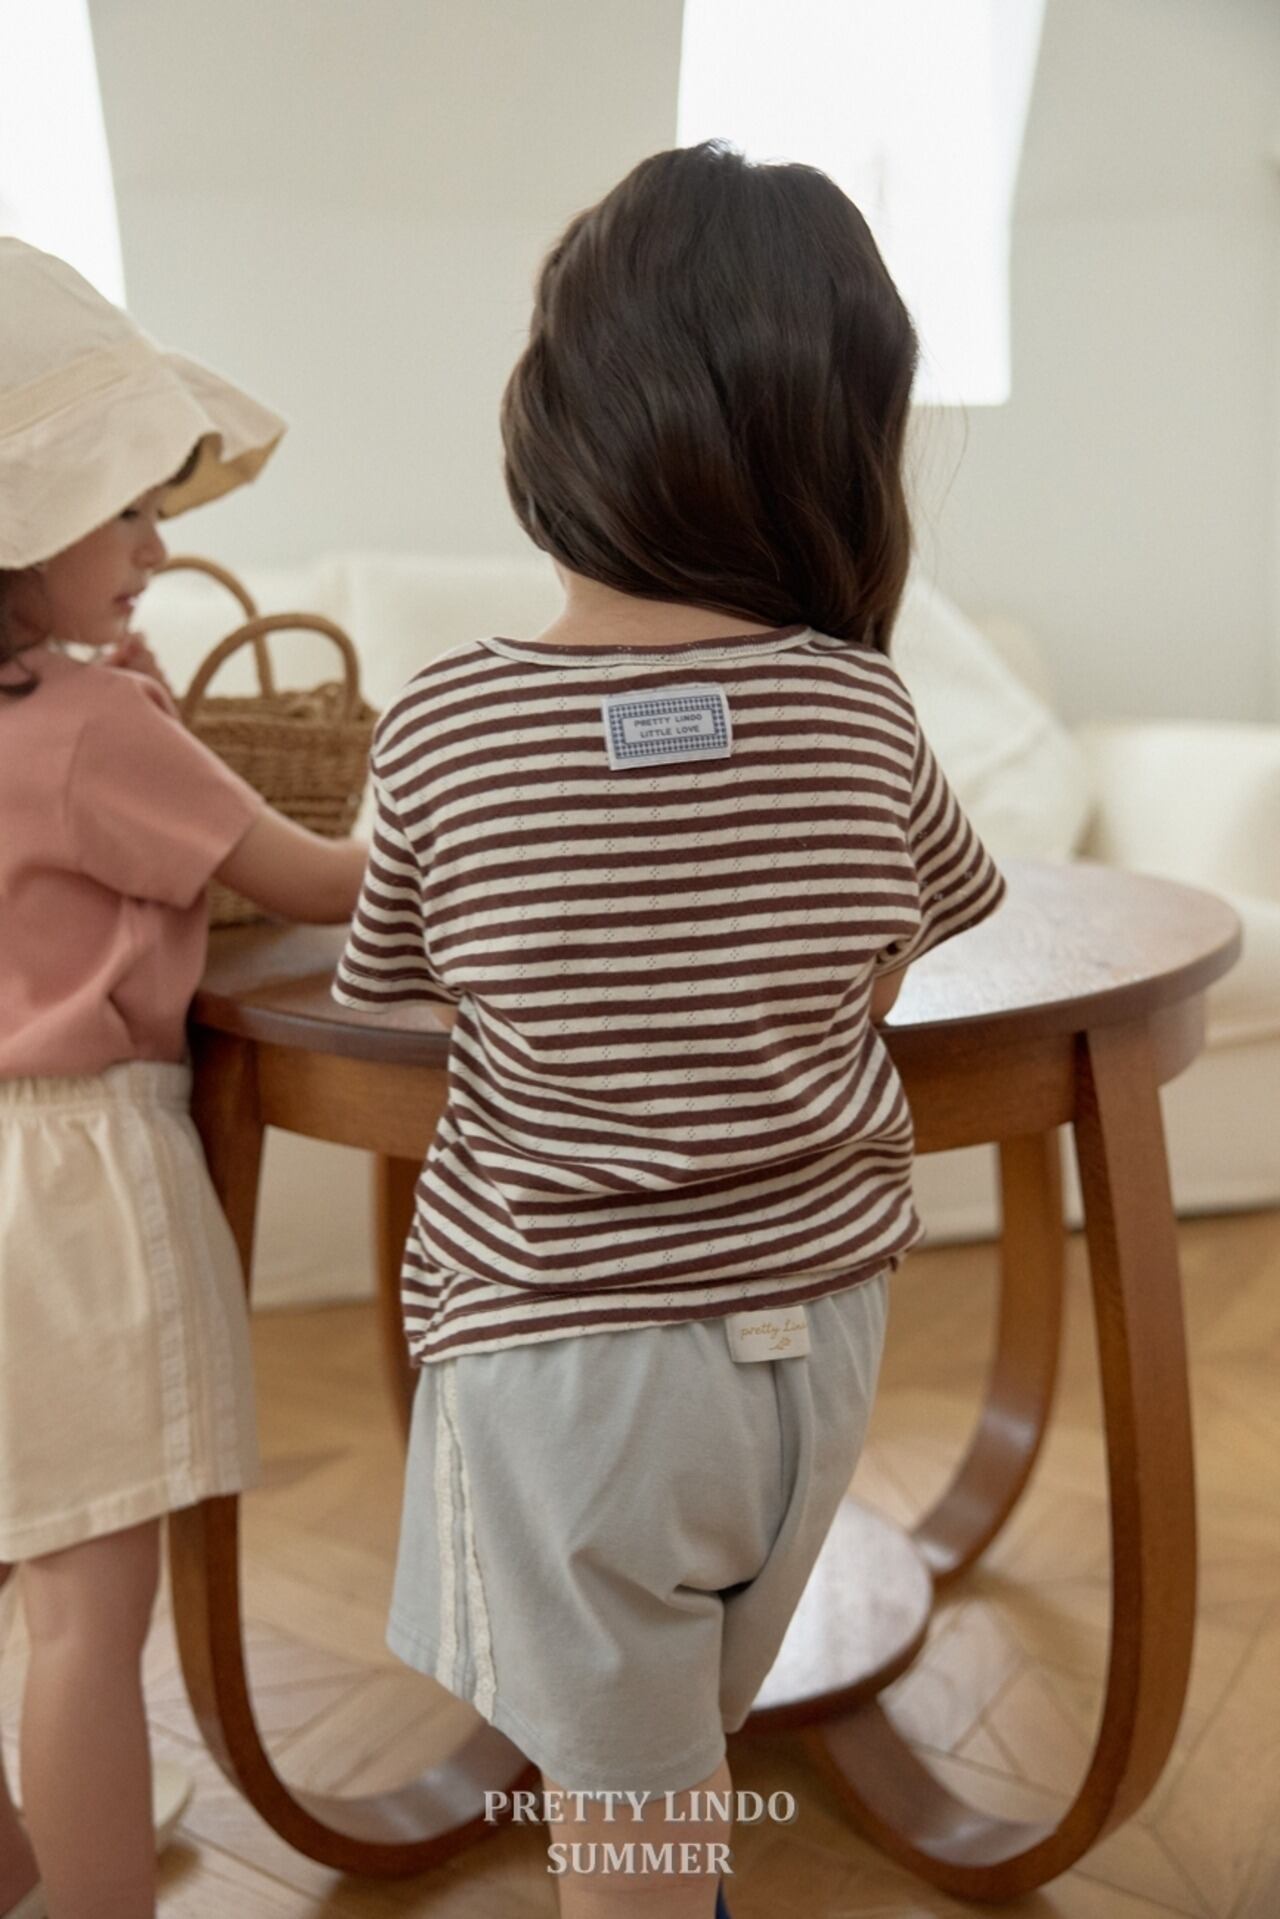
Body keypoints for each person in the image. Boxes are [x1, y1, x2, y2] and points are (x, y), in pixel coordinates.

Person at [333, 142, 1006, 1919]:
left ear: (557, 417)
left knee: (626, 1806)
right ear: (840, 449)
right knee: (686, 1738)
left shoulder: (445, 727)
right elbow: (892, 952)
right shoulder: (865, 713)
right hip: (821, 1337)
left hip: (567, 1354)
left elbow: (390, 995)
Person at [0, 239, 368, 1919]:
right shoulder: (92, 730)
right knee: (89, 1614)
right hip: (74, 1194)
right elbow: (318, 882)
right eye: (131, 510)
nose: (160, 544)